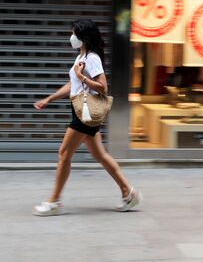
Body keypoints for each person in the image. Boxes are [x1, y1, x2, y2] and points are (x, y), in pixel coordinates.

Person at [32, 19, 142, 216]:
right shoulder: (81, 56)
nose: (71, 37)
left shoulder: (92, 58)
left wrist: (82, 76)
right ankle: (129, 193)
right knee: (100, 155)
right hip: (81, 109)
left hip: (85, 112)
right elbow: (71, 85)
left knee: (63, 154)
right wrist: (49, 99)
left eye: (73, 33)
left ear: (83, 36)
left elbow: (103, 86)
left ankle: (54, 202)